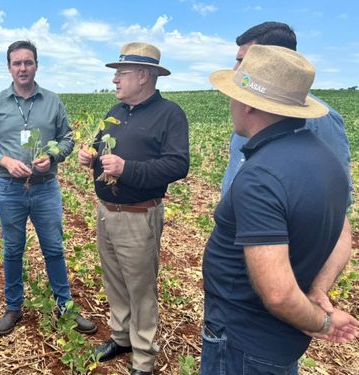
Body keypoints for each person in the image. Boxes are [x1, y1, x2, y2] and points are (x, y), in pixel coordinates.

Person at [202, 44, 359, 374]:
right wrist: (317, 290)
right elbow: (344, 232)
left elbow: (277, 293)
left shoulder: (260, 176)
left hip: (242, 343)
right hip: (278, 343)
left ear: (247, 104)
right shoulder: (325, 158)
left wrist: (325, 323)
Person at [78, 42, 189, 375]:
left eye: (121, 74)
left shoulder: (170, 114)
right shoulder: (115, 113)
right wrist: (91, 157)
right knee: (114, 280)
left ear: (144, 75)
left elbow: (177, 165)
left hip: (140, 215)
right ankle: (122, 337)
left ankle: (143, 358)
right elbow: (101, 149)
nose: (115, 81)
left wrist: (128, 169)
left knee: (141, 289)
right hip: (106, 211)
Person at [220, 23, 353, 297]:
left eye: (243, 61)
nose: (236, 71)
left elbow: (337, 211)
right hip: (238, 259)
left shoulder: (321, 119)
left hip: (279, 264)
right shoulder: (248, 116)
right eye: (237, 61)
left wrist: (317, 289)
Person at [0, 40, 97, 337]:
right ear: (9, 67)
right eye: (17, 63)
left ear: (36, 65)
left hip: (45, 188)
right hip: (9, 187)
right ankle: (14, 307)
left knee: (54, 248)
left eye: (28, 62)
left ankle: (65, 305)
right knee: (13, 249)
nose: (22, 68)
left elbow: (67, 138)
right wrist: (4, 160)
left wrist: (53, 156)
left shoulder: (53, 102)